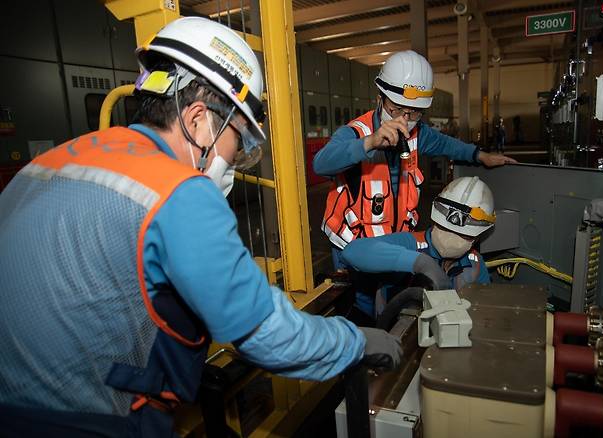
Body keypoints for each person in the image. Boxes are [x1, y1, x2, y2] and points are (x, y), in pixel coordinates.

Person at [0, 17, 401, 437]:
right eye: (237, 141)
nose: (235, 158)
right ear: (197, 120)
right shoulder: (178, 192)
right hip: (87, 421)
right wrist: (355, 342)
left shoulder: (52, 162)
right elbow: (265, 333)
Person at [313, 50, 515, 268]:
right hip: (352, 247)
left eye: (415, 112)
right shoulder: (356, 133)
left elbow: (447, 144)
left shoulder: (417, 133)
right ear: (380, 99)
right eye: (397, 109)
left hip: (392, 245)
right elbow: (321, 163)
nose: (404, 119)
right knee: (360, 302)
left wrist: (480, 155)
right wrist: (370, 143)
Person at [340, 176, 494, 318]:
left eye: (463, 234)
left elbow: (484, 311)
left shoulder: (475, 264)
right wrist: (420, 263)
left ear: (478, 235)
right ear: (435, 220)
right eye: (446, 228)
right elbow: (352, 251)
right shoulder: (411, 244)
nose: (452, 236)